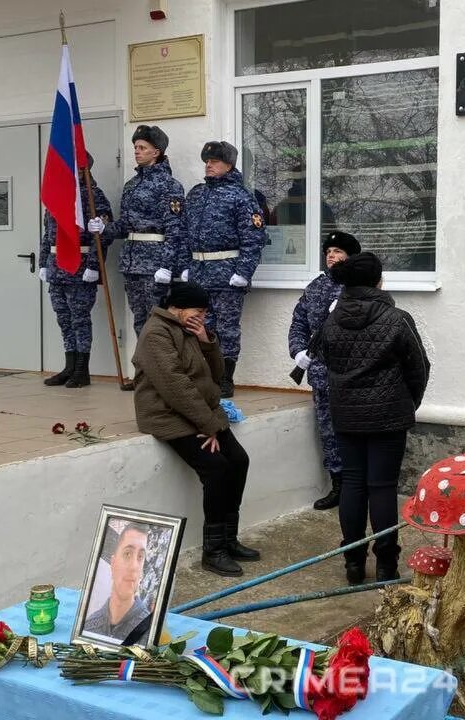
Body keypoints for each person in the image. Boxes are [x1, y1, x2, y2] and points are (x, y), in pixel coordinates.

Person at [131, 283, 259, 577]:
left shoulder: (188, 329)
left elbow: (215, 375)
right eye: (198, 311)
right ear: (178, 307)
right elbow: (176, 387)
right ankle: (213, 551)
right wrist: (209, 426)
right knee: (216, 468)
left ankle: (228, 539)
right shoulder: (156, 334)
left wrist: (206, 341)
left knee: (238, 461)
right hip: (169, 415)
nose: (201, 316)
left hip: (199, 413)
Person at [317, 252, 430, 586]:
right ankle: (385, 566)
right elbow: (418, 367)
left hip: (345, 414)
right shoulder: (397, 318)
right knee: (382, 487)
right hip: (387, 415)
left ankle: (353, 564)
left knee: (352, 483)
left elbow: (325, 360)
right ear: (379, 281)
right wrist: (410, 402)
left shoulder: (331, 320)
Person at [178, 140, 268, 398]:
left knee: (226, 329)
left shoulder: (241, 196)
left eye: (214, 161)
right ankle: (203, 374)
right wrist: (185, 266)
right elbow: (183, 233)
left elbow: (253, 238)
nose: (208, 165)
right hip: (198, 273)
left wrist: (243, 272)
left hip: (227, 275)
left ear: (228, 165)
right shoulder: (196, 194)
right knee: (199, 326)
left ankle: (225, 378)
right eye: (206, 161)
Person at [288, 231, 360, 511]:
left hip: (351, 375)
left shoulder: (358, 287)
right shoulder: (315, 287)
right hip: (321, 374)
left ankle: (357, 487)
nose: (331, 255)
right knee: (328, 431)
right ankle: (338, 485)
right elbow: (298, 323)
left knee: (354, 431)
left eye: (338, 251)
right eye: (328, 250)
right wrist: (299, 351)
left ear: (350, 257)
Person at [91, 125, 185, 337]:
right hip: (132, 264)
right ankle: (144, 369)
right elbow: (125, 226)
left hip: (155, 264)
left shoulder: (169, 185)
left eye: (142, 147)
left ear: (156, 152)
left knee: (158, 323)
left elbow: (175, 229)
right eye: (135, 147)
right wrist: (104, 228)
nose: (137, 151)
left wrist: (167, 266)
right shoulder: (131, 185)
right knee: (139, 321)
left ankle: (158, 370)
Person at [38, 153, 113, 388]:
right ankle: (69, 365)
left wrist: (93, 266)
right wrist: (42, 262)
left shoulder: (93, 196)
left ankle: (82, 369)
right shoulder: (57, 195)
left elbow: (102, 234)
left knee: (80, 319)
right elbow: (46, 234)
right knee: (64, 318)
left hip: (80, 268)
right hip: (56, 265)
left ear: (82, 169)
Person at [83, 523, 152, 643]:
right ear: (113, 563)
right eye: (127, 554)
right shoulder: (88, 627)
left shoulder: (149, 632)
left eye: (140, 557)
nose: (134, 566)